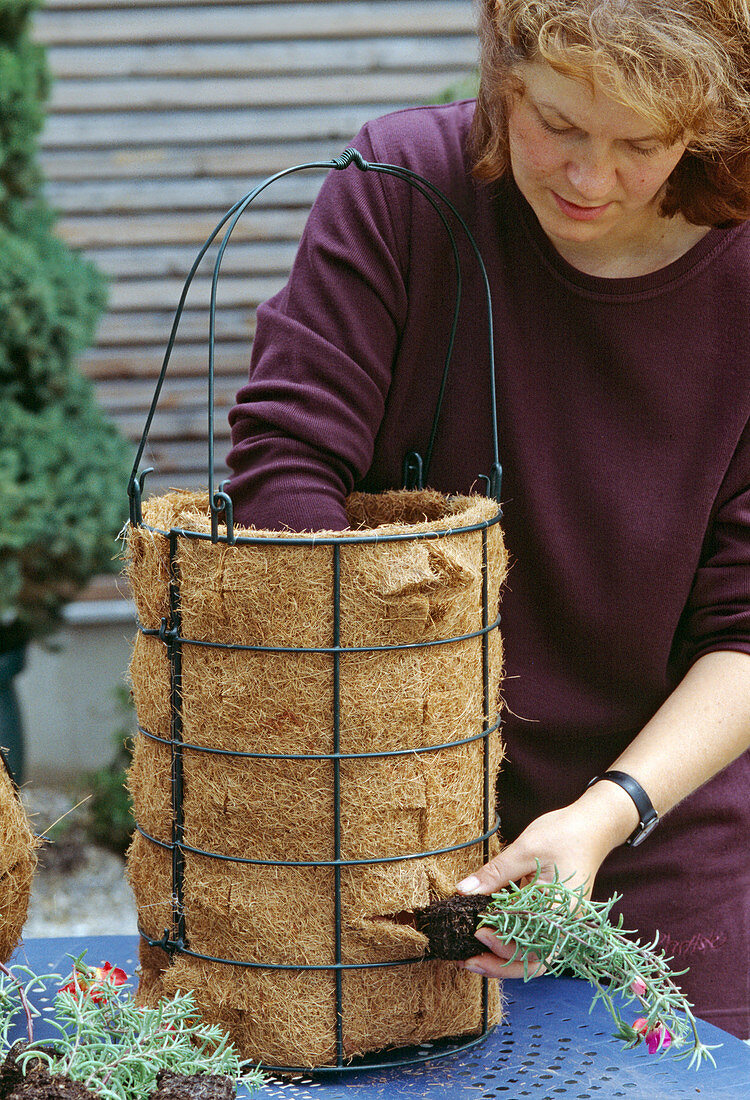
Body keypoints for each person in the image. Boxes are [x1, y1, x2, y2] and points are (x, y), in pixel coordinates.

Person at [226, 0, 750, 1038]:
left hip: (659, 855)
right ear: (502, 74)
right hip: (375, 845)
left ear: (705, 125)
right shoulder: (400, 189)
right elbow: (285, 460)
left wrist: (602, 820)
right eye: (556, 123)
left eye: (638, 144)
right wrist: (368, 773)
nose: (588, 178)